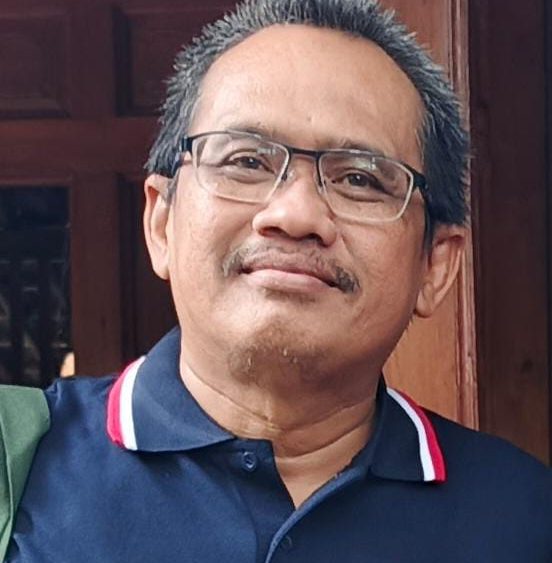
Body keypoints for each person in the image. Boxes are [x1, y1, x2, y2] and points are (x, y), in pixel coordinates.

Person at [3, 0, 552, 561]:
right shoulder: (15, 473)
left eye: (360, 179)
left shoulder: (523, 520)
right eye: (246, 161)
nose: (295, 215)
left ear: (435, 264)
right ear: (162, 223)